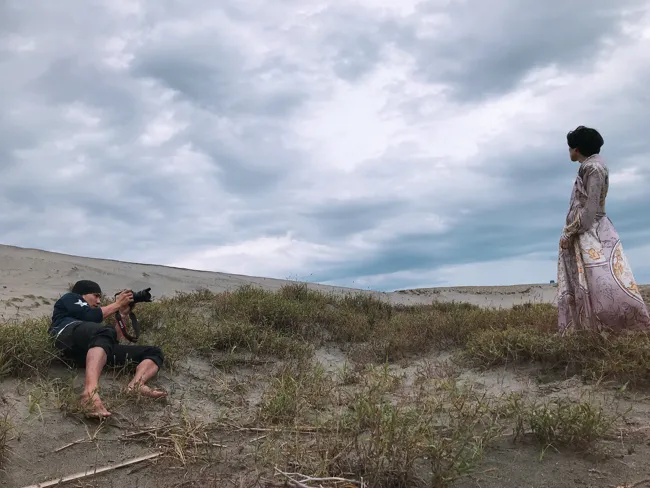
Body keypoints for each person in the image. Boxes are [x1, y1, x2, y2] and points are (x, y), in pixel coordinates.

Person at [557, 125, 650, 335]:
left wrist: (571, 231)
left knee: (599, 279)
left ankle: (610, 327)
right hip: (589, 229)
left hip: (590, 232)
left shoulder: (593, 168)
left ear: (577, 149)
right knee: (595, 279)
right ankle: (591, 328)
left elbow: (590, 209)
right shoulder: (592, 166)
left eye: (570, 147)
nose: (569, 151)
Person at [50, 279, 167, 418]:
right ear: (82, 294)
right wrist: (117, 304)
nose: (99, 301)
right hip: (65, 337)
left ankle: (136, 385)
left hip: (87, 353)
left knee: (154, 352)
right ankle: (89, 393)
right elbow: (89, 315)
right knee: (104, 331)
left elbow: (113, 342)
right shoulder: (70, 298)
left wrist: (123, 313)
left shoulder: (92, 326)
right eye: (96, 295)